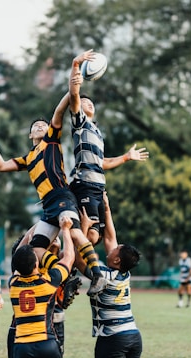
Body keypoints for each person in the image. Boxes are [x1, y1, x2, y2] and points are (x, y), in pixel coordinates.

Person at [0, 81, 104, 296]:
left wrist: (71, 90)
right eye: (34, 126)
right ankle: (64, 275)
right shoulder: (28, 158)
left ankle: (97, 274)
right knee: (36, 250)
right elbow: (1, 166)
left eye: (42, 125)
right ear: (29, 136)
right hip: (48, 207)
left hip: (62, 195)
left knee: (74, 233)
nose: (39, 126)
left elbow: (58, 111)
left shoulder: (51, 142)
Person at [68, 49, 149, 246]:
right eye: (85, 102)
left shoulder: (96, 133)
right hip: (84, 185)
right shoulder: (80, 124)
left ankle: (91, 270)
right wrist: (76, 65)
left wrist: (126, 157)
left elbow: (102, 162)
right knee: (86, 236)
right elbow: (74, 95)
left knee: (97, 237)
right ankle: (72, 269)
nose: (89, 103)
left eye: (91, 102)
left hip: (99, 187)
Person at [77, 191, 143, 358]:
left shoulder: (104, 276)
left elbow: (80, 261)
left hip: (113, 339)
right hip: (133, 336)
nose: (113, 247)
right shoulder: (124, 274)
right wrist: (106, 208)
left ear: (117, 260)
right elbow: (110, 238)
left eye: (117, 249)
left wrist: (84, 227)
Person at [9, 215, 76, 358]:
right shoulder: (49, 281)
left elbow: (20, 251)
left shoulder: (13, 283)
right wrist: (65, 229)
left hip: (22, 346)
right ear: (36, 264)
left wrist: (37, 229)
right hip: (47, 343)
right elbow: (69, 257)